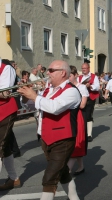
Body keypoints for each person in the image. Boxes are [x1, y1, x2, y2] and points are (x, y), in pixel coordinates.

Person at [18, 60, 80, 200]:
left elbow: (54, 108)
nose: (47, 73)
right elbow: (34, 106)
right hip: (46, 137)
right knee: (62, 171)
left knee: (50, 177)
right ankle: (74, 198)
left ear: (63, 73)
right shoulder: (48, 89)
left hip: (63, 139)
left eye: (51, 70)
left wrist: (34, 95)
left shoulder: (71, 91)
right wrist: (24, 93)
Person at [0, 58, 21, 190]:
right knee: (5, 146)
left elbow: (4, 93)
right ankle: (14, 179)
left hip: (5, 110)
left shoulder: (6, 68)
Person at [67, 65, 88, 176]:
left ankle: (67, 170)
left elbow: (83, 105)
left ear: (75, 75)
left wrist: (69, 101)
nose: (68, 78)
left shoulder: (82, 87)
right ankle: (81, 166)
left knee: (77, 141)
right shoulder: (66, 87)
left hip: (78, 116)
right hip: (68, 116)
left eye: (70, 75)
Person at [78, 63, 99, 142]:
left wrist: (90, 86)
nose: (83, 70)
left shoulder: (94, 77)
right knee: (82, 116)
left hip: (90, 98)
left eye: (85, 68)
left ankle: (89, 134)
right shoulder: (79, 78)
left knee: (88, 115)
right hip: (81, 98)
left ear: (89, 68)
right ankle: (82, 132)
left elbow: (97, 86)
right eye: (82, 68)